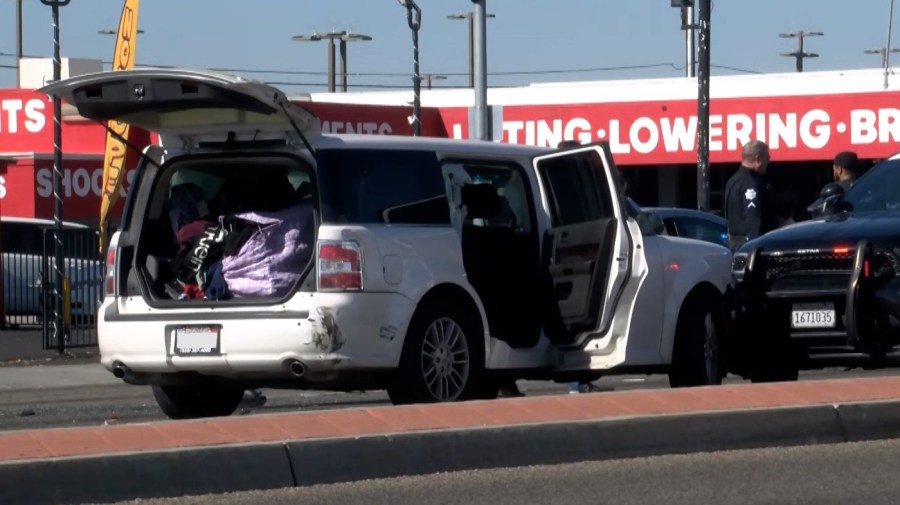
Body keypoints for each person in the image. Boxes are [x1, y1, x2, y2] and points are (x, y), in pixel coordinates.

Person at [723, 140, 778, 253]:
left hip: (734, 246)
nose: (769, 161)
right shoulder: (751, 184)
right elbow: (753, 220)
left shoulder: (732, 181)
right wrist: (757, 250)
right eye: (767, 158)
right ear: (758, 159)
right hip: (751, 249)